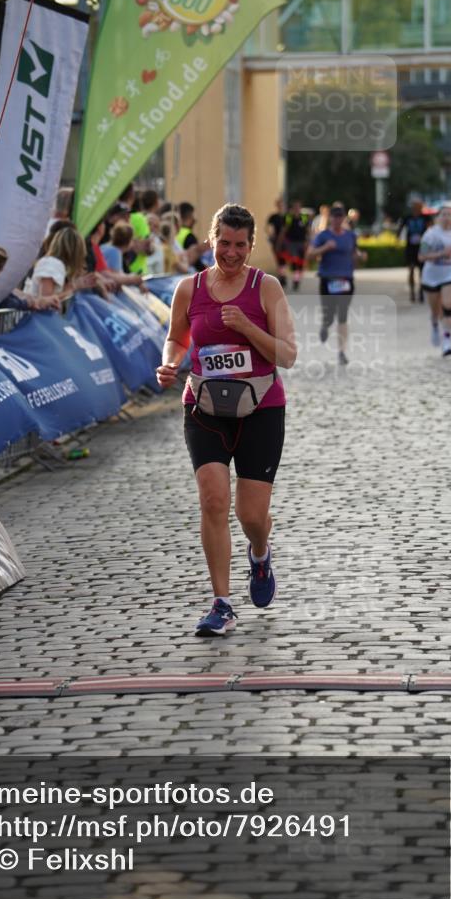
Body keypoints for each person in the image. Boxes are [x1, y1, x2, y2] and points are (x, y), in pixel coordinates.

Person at [156, 203, 297, 637]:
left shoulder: (265, 287)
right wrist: (169, 364)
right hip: (203, 408)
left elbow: (287, 355)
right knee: (213, 500)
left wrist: (247, 329)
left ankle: (259, 552)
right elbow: (177, 339)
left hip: (261, 409)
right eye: (224, 243)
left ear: (251, 246)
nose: (231, 253)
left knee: (250, 513)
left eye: (240, 245)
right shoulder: (189, 288)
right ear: (210, 240)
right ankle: (221, 602)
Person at [308, 202, 366, 366]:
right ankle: (325, 326)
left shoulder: (350, 236)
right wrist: (325, 248)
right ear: (330, 218)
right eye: (335, 217)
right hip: (328, 280)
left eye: (340, 217)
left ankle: (342, 352)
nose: (337, 220)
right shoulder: (323, 236)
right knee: (329, 314)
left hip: (346, 280)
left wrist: (360, 257)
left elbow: (355, 253)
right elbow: (310, 254)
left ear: (343, 218)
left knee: (342, 316)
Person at [419, 206, 451, 357]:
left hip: (450, 273)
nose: (446, 217)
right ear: (438, 218)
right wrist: (440, 254)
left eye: (449, 214)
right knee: (436, 310)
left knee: (447, 305)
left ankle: (447, 342)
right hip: (432, 275)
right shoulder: (431, 234)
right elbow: (421, 256)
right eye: (443, 214)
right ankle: (434, 325)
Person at [29, 226, 105, 300]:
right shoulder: (52, 264)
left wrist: (74, 285)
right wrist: (74, 286)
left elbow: (53, 295)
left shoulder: (56, 264)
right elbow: (45, 300)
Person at [400, 199, 430, 303]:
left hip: (422, 247)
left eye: (419, 206)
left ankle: (421, 292)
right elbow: (400, 229)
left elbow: (430, 229)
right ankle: (412, 292)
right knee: (411, 269)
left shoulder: (425, 218)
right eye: (415, 206)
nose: (416, 208)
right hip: (410, 247)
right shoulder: (407, 217)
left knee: (422, 271)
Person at [279, 199, 310, 291]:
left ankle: (297, 278)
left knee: (301, 261)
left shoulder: (304, 217)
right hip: (291, 243)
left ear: (300, 208)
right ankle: (295, 279)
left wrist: (308, 242)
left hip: (302, 243)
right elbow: (284, 230)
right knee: (294, 260)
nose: (297, 209)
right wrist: (280, 242)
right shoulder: (289, 217)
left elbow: (308, 230)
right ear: (292, 208)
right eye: (295, 207)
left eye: (298, 207)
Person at [177, 201, 212, 272]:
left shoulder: (175, 233)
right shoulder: (189, 236)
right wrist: (207, 271)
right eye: (193, 215)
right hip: (185, 272)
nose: (195, 219)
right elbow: (196, 261)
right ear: (190, 216)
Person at [266, 197, 286, 287]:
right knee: (278, 259)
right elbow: (267, 227)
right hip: (276, 241)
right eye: (279, 204)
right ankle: (282, 276)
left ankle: (283, 276)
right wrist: (270, 235)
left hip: (285, 241)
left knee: (284, 259)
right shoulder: (273, 217)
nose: (280, 206)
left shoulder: (287, 216)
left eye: (281, 204)